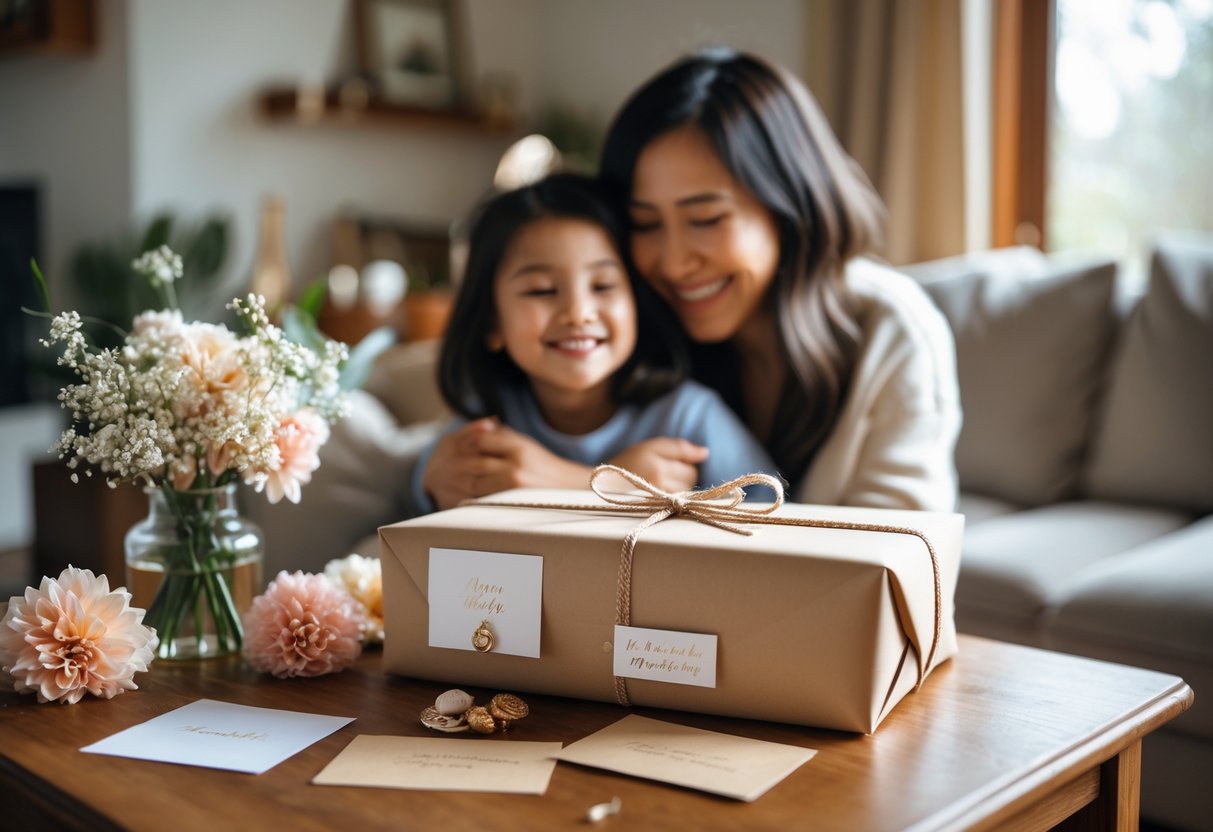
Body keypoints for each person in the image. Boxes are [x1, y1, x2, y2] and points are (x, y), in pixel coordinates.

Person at [423, 48, 961, 513]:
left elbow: (905, 559)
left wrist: (582, 485)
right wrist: (438, 470)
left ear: (788, 206)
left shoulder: (891, 330)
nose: (675, 264)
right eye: (646, 224)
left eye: (706, 219)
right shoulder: (645, 310)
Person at [414, 172, 778, 513]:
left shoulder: (688, 418)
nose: (578, 313)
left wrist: (573, 484)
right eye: (542, 290)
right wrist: (613, 485)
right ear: (492, 322)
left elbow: (777, 511)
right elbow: (422, 492)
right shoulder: (489, 423)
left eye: (603, 286)